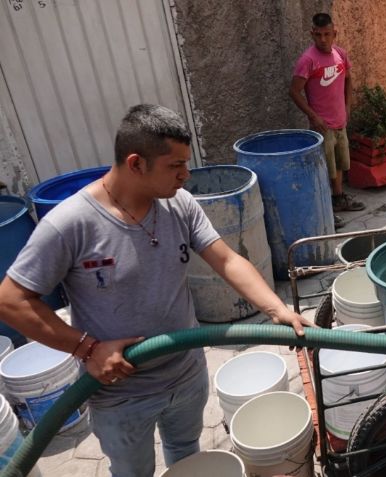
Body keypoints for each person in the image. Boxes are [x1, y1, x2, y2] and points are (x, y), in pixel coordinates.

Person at [0, 104, 312, 477]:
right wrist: (87, 348)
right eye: (175, 165)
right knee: (134, 472)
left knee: (187, 455)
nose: (186, 175)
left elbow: (226, 260)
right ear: (136, 164)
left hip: (185, 371)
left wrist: (276, 309)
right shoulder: (71, 224)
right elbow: (11, 301)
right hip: (121, 392)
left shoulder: (178, 204)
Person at [290, 13, 364, 229]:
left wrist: (348, 106)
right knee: (324, 169)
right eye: (318, 35)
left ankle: (339, 199)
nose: (323, 39)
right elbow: (294, 92)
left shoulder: (340, 54)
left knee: (339, 164)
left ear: (334, 34)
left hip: (340, 123)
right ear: (312, 34)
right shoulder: (308, 60)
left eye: (327, 34)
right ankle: (326, 211)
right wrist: (313, 116)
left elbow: (348, 80)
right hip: (322, 126)